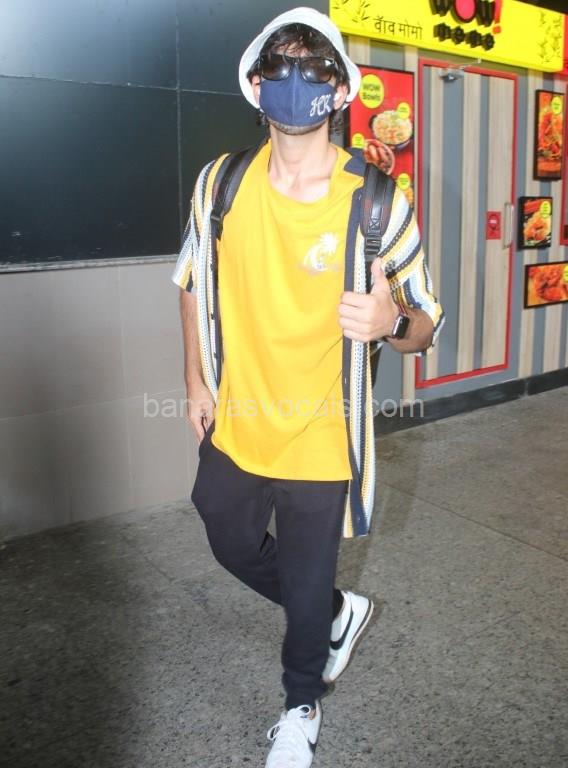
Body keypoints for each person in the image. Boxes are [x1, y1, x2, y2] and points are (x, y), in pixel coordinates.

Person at [172, 7, 445, 767]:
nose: (295, 81)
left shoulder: (377, 201)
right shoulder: (221, 183)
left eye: (314, 67)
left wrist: (391, 320)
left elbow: (426, 324)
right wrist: (194, 378)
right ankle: (332, 610)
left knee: (302, 566)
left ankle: (300, 706)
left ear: (339, 89)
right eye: (280, 67)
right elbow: (191, 279)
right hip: (241, 414)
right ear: (256, 87)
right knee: (227, 537)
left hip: (325, 429)